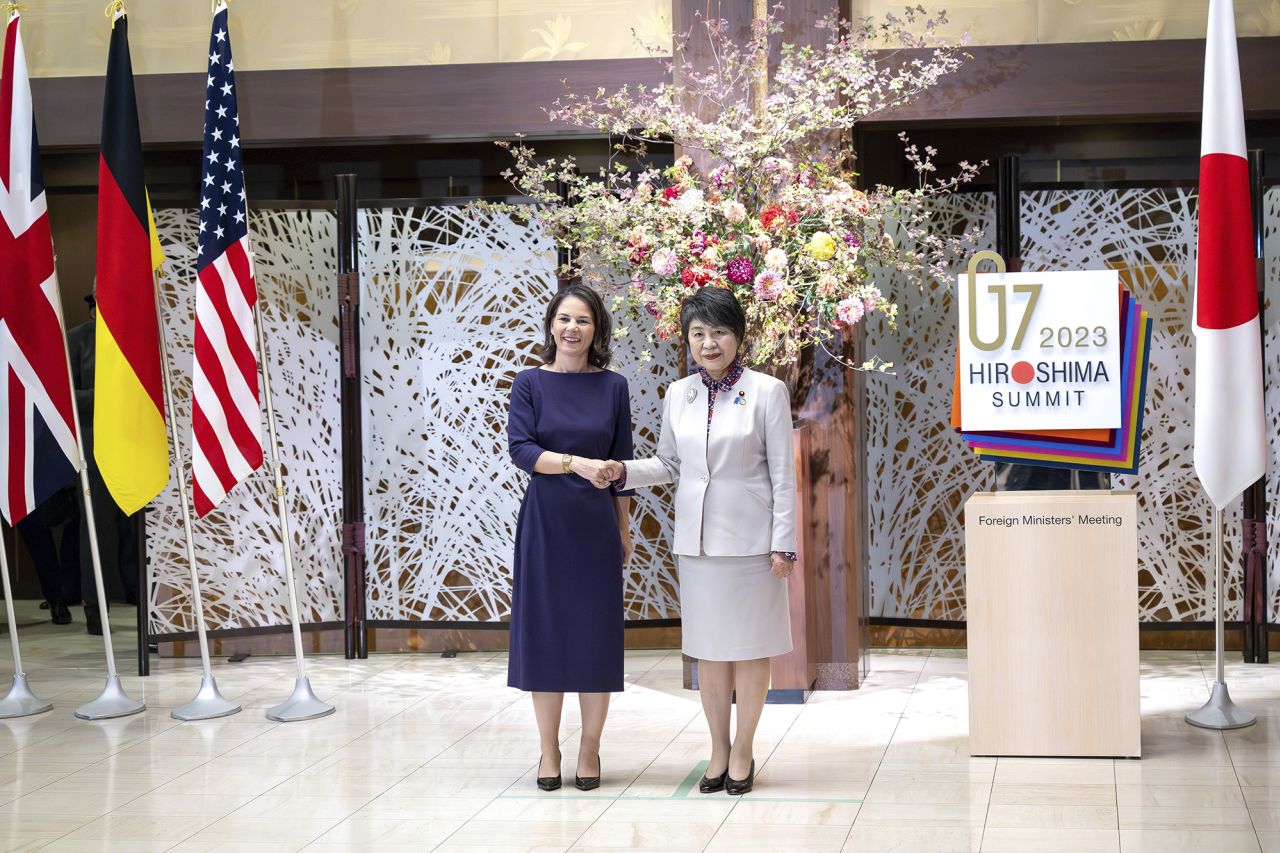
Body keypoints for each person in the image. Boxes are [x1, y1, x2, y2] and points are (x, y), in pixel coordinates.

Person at [604, 286, 796, 796]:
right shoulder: (679, 394)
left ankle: (744, 749)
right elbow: (670, 464)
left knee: (753, 651)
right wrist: (621, 470)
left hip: (753, 543)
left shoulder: (767, 391)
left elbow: (783, 475)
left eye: (719, 332)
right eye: (698, 333)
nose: (708, 343)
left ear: (738, 336)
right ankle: (716, 747)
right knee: (710, 653)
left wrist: (784, 542)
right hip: (698, 544)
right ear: (687, 339)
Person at [506, 283, 634, 792]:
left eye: (582, 320)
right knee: (547, 634)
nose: (572, 329)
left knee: (595, 635)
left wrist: (624, 529)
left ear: (596, 328)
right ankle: (548, 748)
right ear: (551, 326)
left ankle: (590, 747)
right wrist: (575, 463)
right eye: (564, 319)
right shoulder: (530, 383)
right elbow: (521, 450)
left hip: (596, 524)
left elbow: (623, 464)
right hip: (546, 521)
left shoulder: (614, 386)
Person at [67, 291, 142, 634]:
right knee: (96, 529)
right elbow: (65, 395)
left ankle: (139, 597)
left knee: (135, 526)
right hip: (92, 449)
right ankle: (95, 607)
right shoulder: (77, 339)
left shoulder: (132, 337)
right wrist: (108, 397)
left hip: (133, 444)